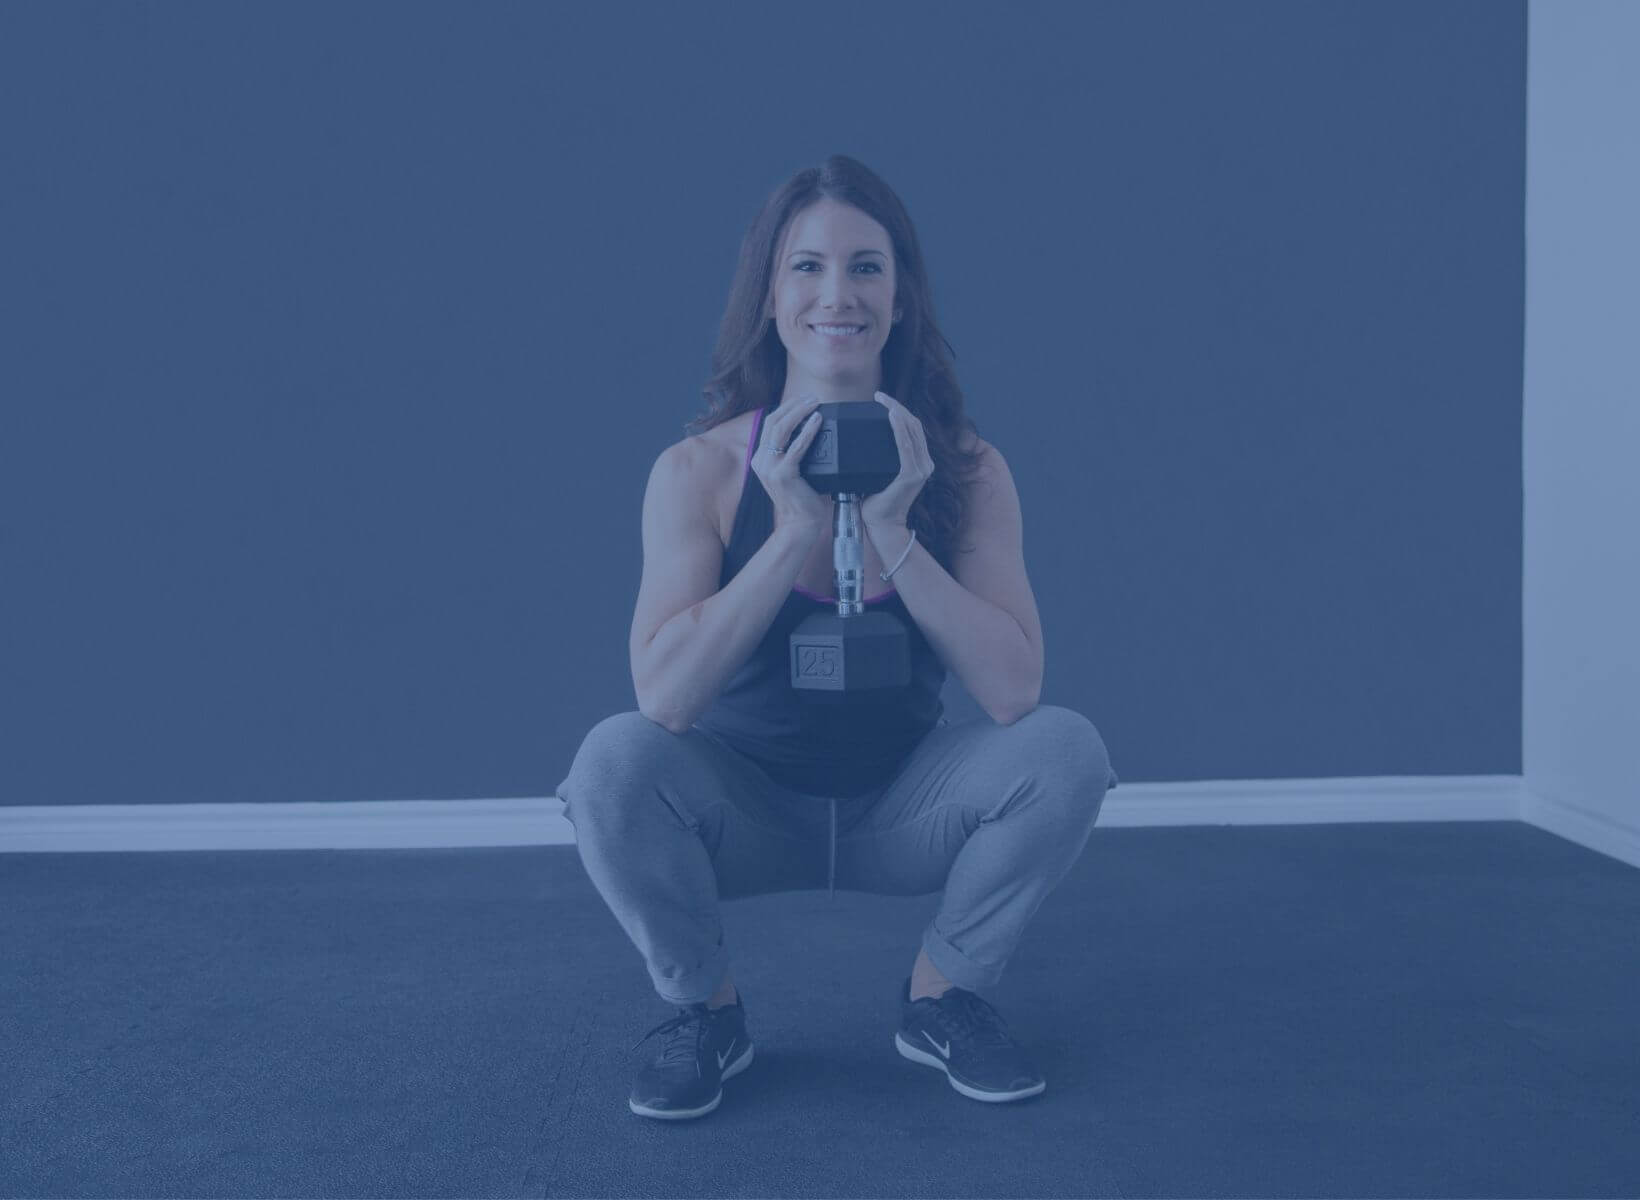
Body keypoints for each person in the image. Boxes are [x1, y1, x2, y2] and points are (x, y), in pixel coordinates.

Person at [554, 155, 1118, 1121]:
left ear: (900, 297)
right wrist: (795, 534)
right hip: (747, 806)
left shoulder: (970, 470)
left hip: (901, 807)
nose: (838, 294)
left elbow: (1014, 691)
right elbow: (666, 700)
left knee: (1067, 750)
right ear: (770, 296)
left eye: (866, 266)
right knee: (610, 762)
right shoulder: (696, 471)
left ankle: (944, 997)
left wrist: (897, 532)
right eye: (807, 267)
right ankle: (707, 1014)